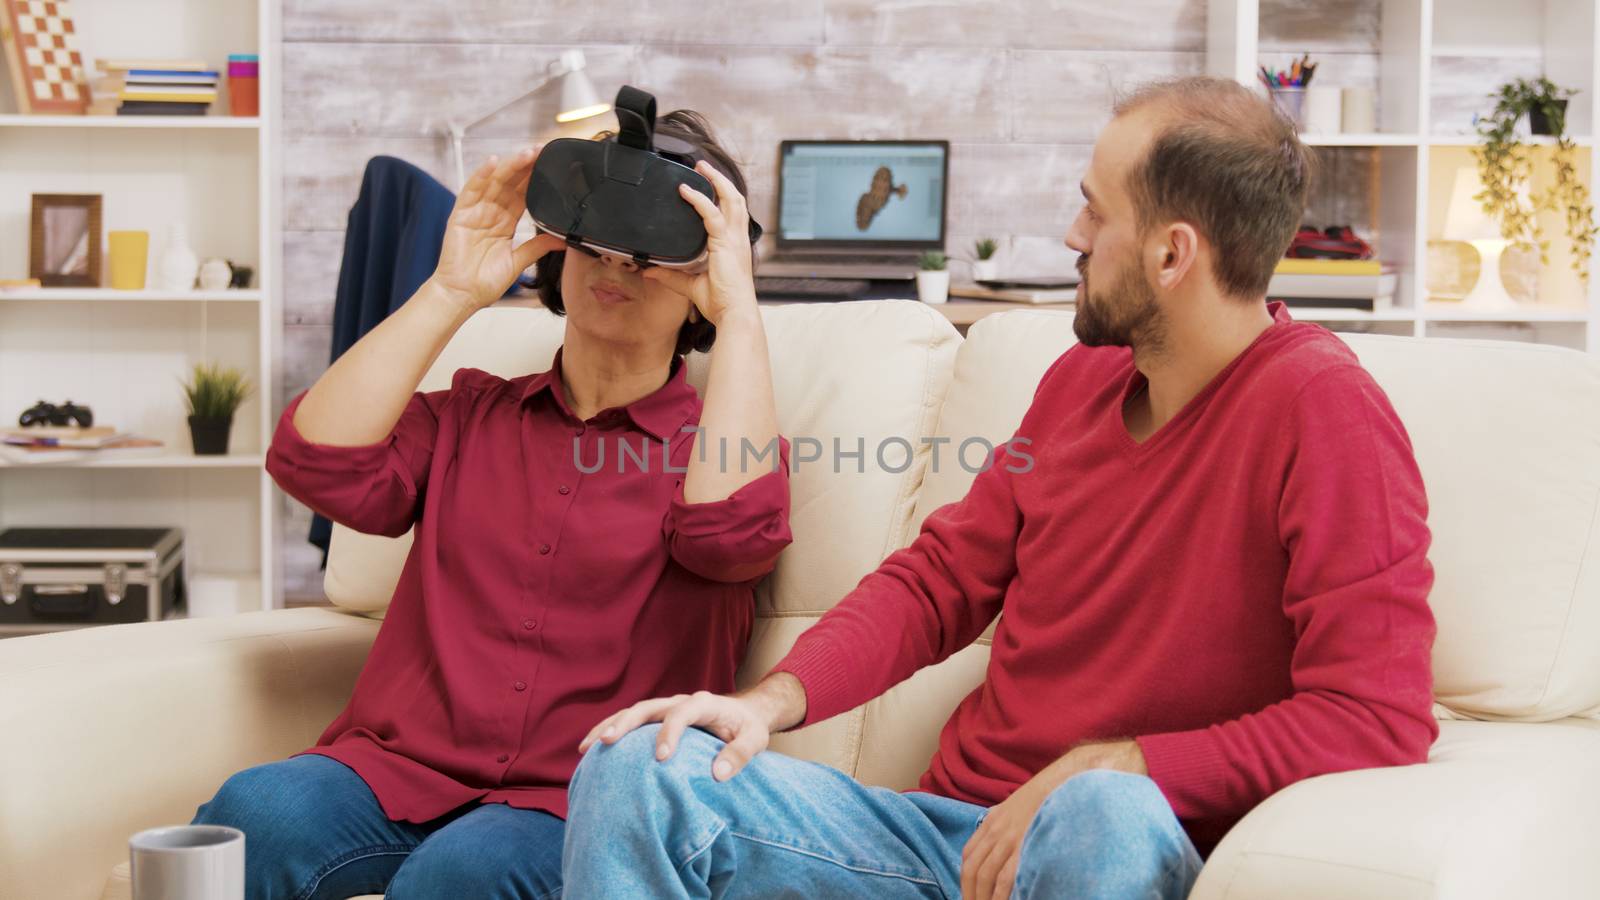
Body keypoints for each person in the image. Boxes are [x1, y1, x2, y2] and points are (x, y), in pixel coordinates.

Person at [563, 76, 1438, 900]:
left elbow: (1376, 716)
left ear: (1173, 254)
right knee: (640, 765)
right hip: (936, 841)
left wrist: (1121, 764)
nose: (1072, 235)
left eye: (1096, 211)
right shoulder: (1082, 380)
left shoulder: (1324, 411)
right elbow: (941, 580)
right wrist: (766, 703)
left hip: (1101, 848)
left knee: (1104, 812)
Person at [192, 111, 791, 899]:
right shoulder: (469, 414)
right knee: (250, 816)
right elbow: (313, 464)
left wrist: (741, 310)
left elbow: (727, 540)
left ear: (700, 293)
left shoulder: (720, 451)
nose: (617, 266)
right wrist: (450, 290)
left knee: (463, 873)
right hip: (396, 770)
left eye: (653, 254)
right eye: (597, 240)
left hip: (578, 798)